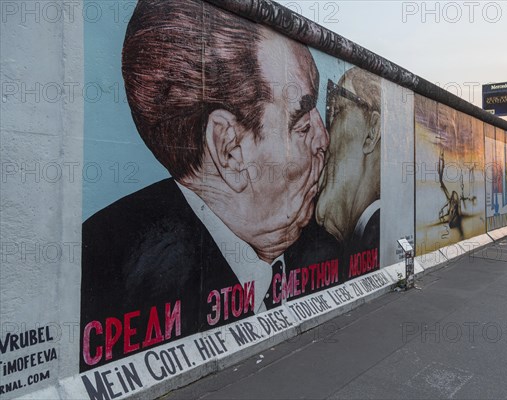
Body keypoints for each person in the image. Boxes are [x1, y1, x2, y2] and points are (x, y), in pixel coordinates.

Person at [80, 0, 338, 371]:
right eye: (301, 125)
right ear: (229, 149)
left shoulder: (322, 248)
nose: (323, 139)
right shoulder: (111, 274)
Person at [315, 67, 381, 280]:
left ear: (371, 132)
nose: (324, 137)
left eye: (336, 111)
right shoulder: (359, 236)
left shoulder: (375, 233)